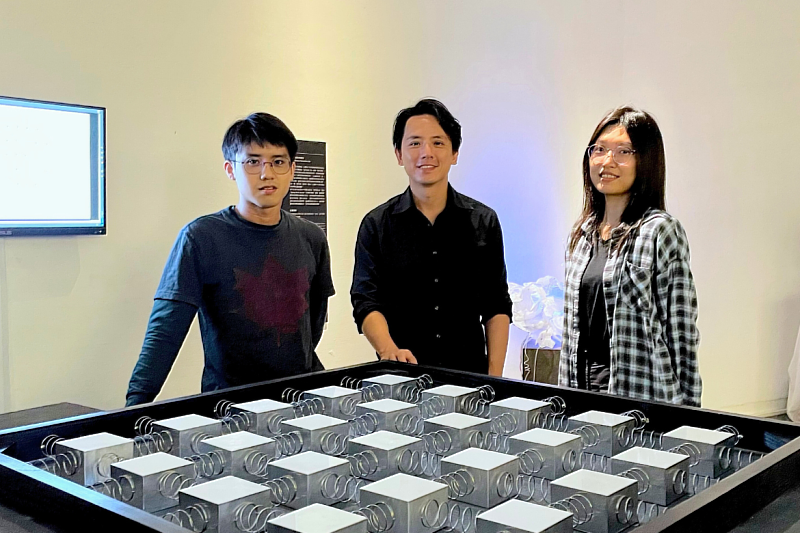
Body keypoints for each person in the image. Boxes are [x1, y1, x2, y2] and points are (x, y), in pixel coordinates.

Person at [126, 113, 334, 406]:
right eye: (253, 161)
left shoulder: (311, 237)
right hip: (229, 406)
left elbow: (314, 322)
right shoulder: (201, 238)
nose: (267, 173)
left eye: (278, 161)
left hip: (300, 398)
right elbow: (166, 330)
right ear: (230, 169)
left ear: (292, 169)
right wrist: (135, 406)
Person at [351, 99, 512, 376]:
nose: (426, 153)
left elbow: (496, 303)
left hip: (469, 375)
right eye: (415, 143)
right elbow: (366, 300)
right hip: (401, 376)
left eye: (438, 143)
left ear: (454, 153)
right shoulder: (376, 225)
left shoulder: (483, 221)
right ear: (399, 154)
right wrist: (388, 351)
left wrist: (495, 376)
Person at [559, 106, 701, 406]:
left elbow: (682, 333)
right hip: (581, 389)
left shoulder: (660, 230)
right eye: (599, 149)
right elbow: (571, 332)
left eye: (623, 151)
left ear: (645, 161)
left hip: (641, 396)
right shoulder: (582, 234)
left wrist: (692, 416)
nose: (607, 161)